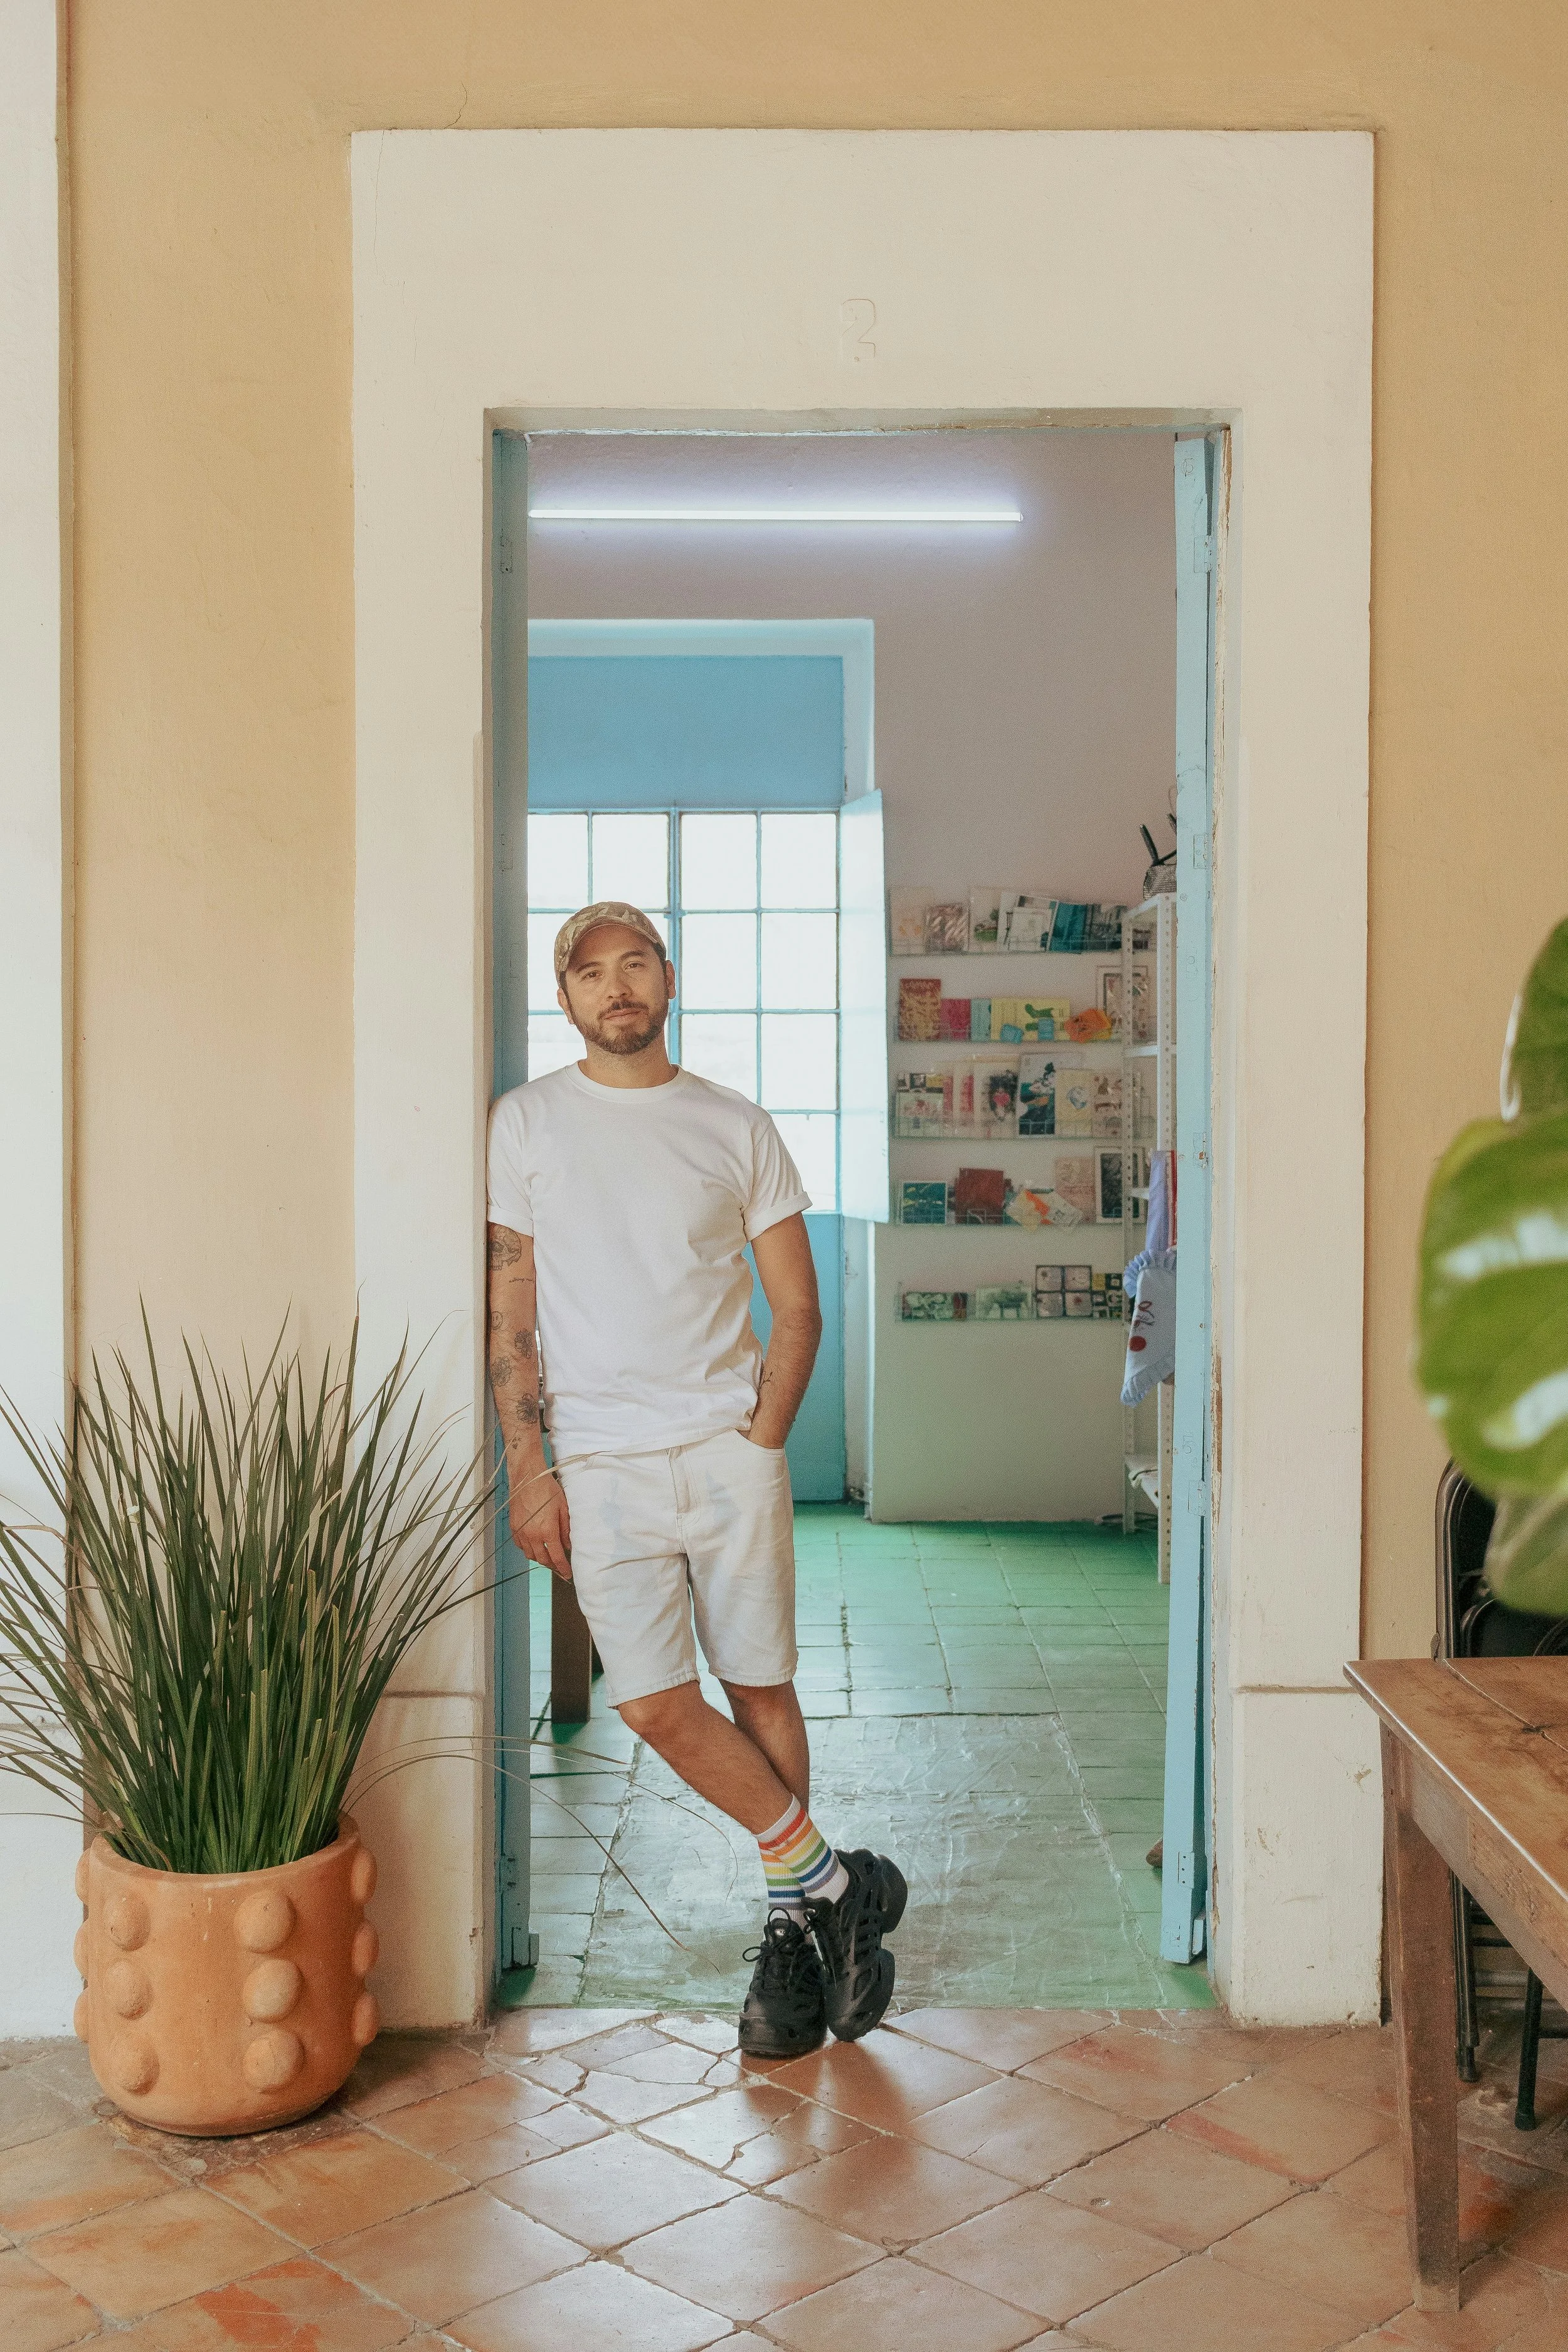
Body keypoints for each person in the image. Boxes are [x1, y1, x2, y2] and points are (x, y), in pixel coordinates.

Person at [485, 900, 905, 2058]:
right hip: (604, 1462)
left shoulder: (733, 1122)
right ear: (563, 996)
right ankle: (831, 1878)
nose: (615, 986)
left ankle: (792, 1930)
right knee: (655, 1700)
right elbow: (510, 1311)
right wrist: (532, 1468)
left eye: (636, 964)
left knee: (758, 1679)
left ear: (667, 980)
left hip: (727, 1450)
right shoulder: (524, 1125)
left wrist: (763, 1435)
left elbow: (800, 1302)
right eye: (590, 971)